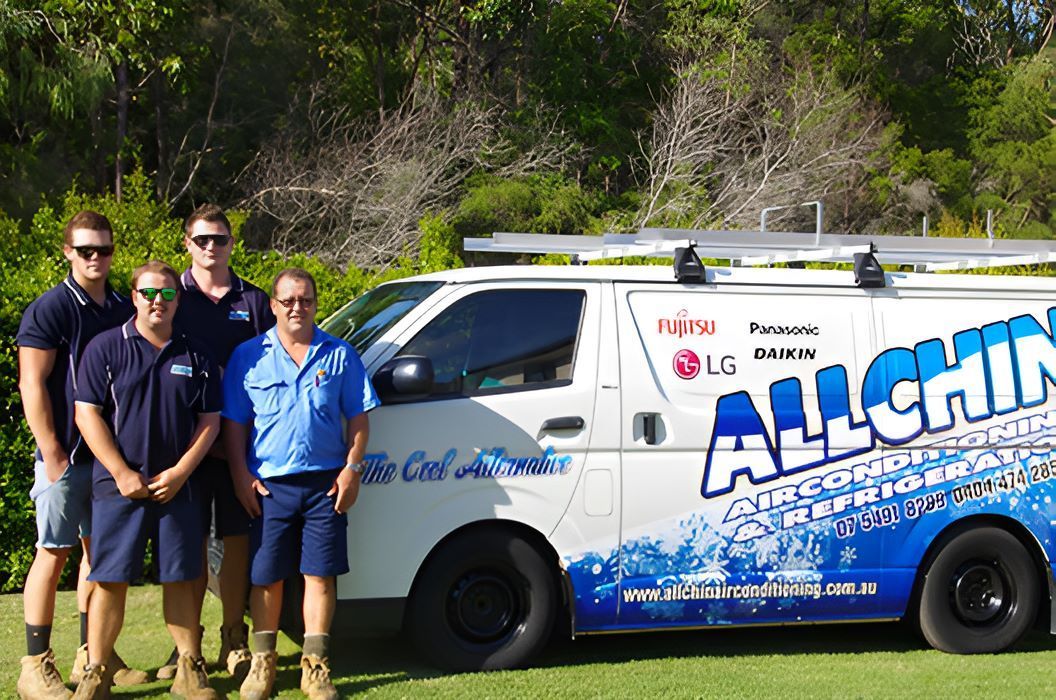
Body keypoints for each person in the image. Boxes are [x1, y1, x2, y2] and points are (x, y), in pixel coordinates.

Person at [222, 268, 377, 700]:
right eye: (288, 300)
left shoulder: (340, 355)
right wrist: (239, 476)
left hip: (326, 484)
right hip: (269, 487)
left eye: (305, 299)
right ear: (272, 305)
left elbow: (359, 417)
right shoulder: (248, 356)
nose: (297, 307)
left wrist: (352, 469)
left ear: (315, 303)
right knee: (266, 578)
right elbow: (234, 424)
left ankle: (315, 667)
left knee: (320, 576)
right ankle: (262, 664)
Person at [72, 261, 221, 699]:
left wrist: (179, 473)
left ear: (179, 299)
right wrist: (121, 473)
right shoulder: (105, 348)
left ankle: (190, 671)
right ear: (134, 296)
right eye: (149, 293)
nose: (159, 301)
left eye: (169, 294)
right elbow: (87, 414)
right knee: (111, 578)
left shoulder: (197, 354)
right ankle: (97, 671)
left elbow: (209, 422)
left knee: (180, 576)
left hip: (180, 486)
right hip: (118, 487)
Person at [15, 211, 147, 699]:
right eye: (86, 250)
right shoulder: (50, 308)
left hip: (107, 456)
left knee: (99, 557)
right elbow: (31, 382)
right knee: (52, 552)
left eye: (104, 250)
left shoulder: (118, 305)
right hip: (67, 455)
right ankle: (35, 666)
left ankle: (94, 657)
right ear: (68, 252)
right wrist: (50, 451)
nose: (96, 258)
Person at [154, 204, 275, 682]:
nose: (210, 247)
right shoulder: (169, 294)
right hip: (182, 446)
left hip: (237, 447)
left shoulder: (256, 301)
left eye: (219, 239)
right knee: (189, 547)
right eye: (201, 239)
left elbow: (275, 368)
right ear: (187, 243)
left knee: (235, 539)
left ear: (230, 244)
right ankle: (187, 648)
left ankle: (234, 638)